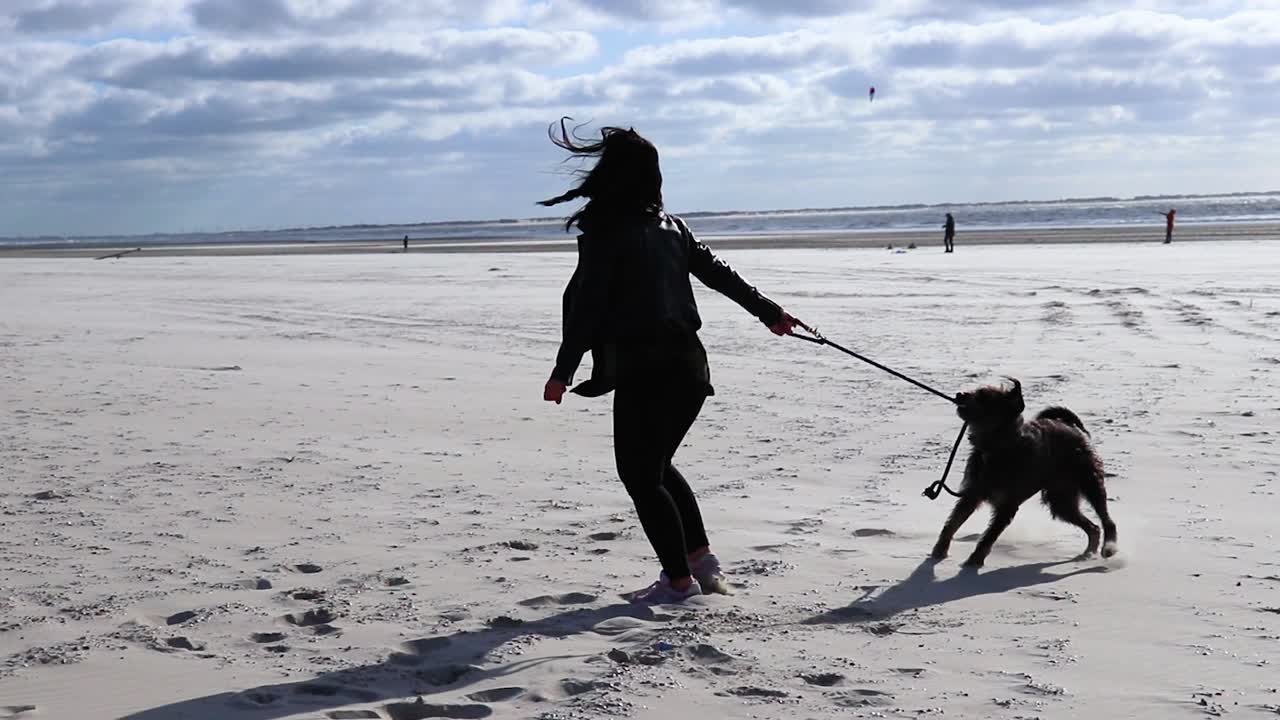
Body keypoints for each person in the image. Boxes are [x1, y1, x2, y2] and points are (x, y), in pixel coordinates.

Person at [538, 119, 798, 604]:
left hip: (645, 368)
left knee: (639, 475)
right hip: (689, 370)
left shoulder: (606, 229)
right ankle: (700, 561)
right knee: (655, 466)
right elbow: (719, 274)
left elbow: (589, 300)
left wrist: (563, 368)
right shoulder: (673, 227)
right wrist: (770, 313)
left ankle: (678, 582)